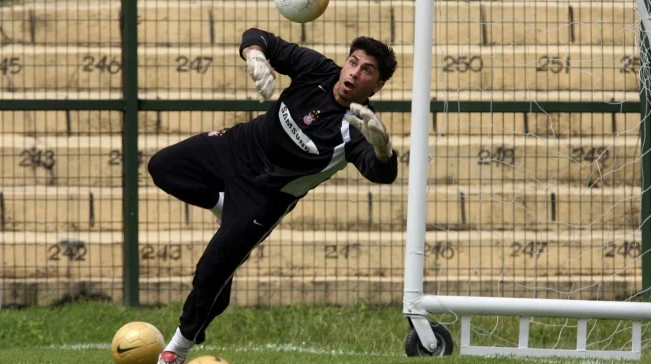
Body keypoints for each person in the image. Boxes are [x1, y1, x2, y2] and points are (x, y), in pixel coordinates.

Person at [148, 27, 398, 364]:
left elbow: (383, 173)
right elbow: (259, 36)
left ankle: (177, 348)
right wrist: (255, 56)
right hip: (237, 147)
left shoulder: (359, 128)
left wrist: (384, 150)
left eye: (367, 70)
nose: (354, 72)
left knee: (211, 272)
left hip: (263, 196)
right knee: (162, 166)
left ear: (378, 85)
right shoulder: (316, 70)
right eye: (352, 62)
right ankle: (222, 206)